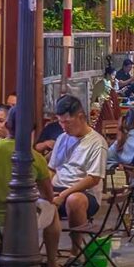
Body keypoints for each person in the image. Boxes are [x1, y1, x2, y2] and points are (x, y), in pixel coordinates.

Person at [0, 108, 65, 267]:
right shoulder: (36, 158)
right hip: (23, 224)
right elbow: (48, 196)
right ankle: (52, 262)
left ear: (7, 125)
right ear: (32, 130)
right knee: (52, 208)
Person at [49, 95, 108, 255]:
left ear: (80, 117)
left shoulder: (97, 142)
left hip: (83, 193)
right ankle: (50, 255)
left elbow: (93, 178)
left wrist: (64, 194)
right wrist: (46, 189)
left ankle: (75, 252)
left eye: (67, 122)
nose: (63, 126)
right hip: (58, 188)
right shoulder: (62, 138)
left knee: (73, 200)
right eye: (60, 122)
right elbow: (52, 169)